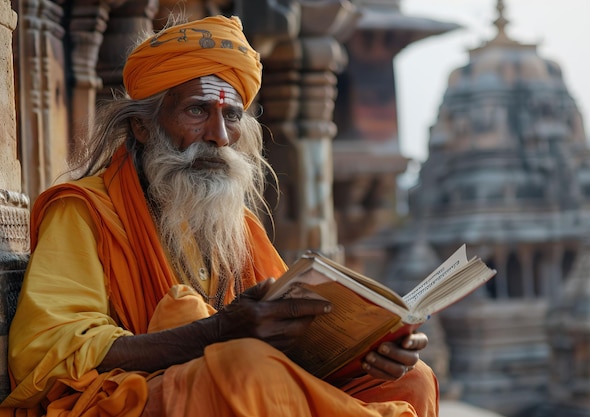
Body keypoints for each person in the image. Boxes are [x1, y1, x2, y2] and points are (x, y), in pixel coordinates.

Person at [0, 15, 439, 417]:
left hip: (233, 380)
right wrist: (214, 333)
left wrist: (369, 347)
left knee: (411, 380)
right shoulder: (85, 210)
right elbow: (47, 349)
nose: (219, 136)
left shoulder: (237, 226)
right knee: (245, 364)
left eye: (231, 116)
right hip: (128, 399)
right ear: (142, 126)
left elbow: (294, 338)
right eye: (197, 111)